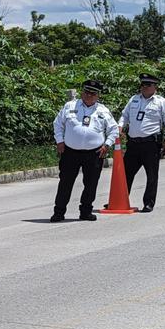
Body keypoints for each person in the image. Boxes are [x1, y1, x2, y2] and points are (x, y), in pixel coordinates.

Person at [51, 80, 118, 222]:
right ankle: (59, 212)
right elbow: (58, 124)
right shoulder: (70, 106)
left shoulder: (103, 111)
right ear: (82, 92)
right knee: (65, 182)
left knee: (91, 183)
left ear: (97, 96)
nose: (88, 95)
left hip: (94, 153)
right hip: (70, 152)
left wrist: (107, 145)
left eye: (92, 93)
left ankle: (86, 211)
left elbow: (113, 130)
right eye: (86, 92)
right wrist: (60, 141)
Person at [117, 73, 165, 213]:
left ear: (155, 87)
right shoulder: (134, 99)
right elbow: (124, 116)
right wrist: (120, 126)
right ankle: (119, 200)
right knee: (125, 174)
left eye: (148, 85)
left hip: (150, 144)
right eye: (142, 84)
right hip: (133, 144)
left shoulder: (161, 102)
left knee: (151, 175)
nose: (144, 87)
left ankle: (148, 203)